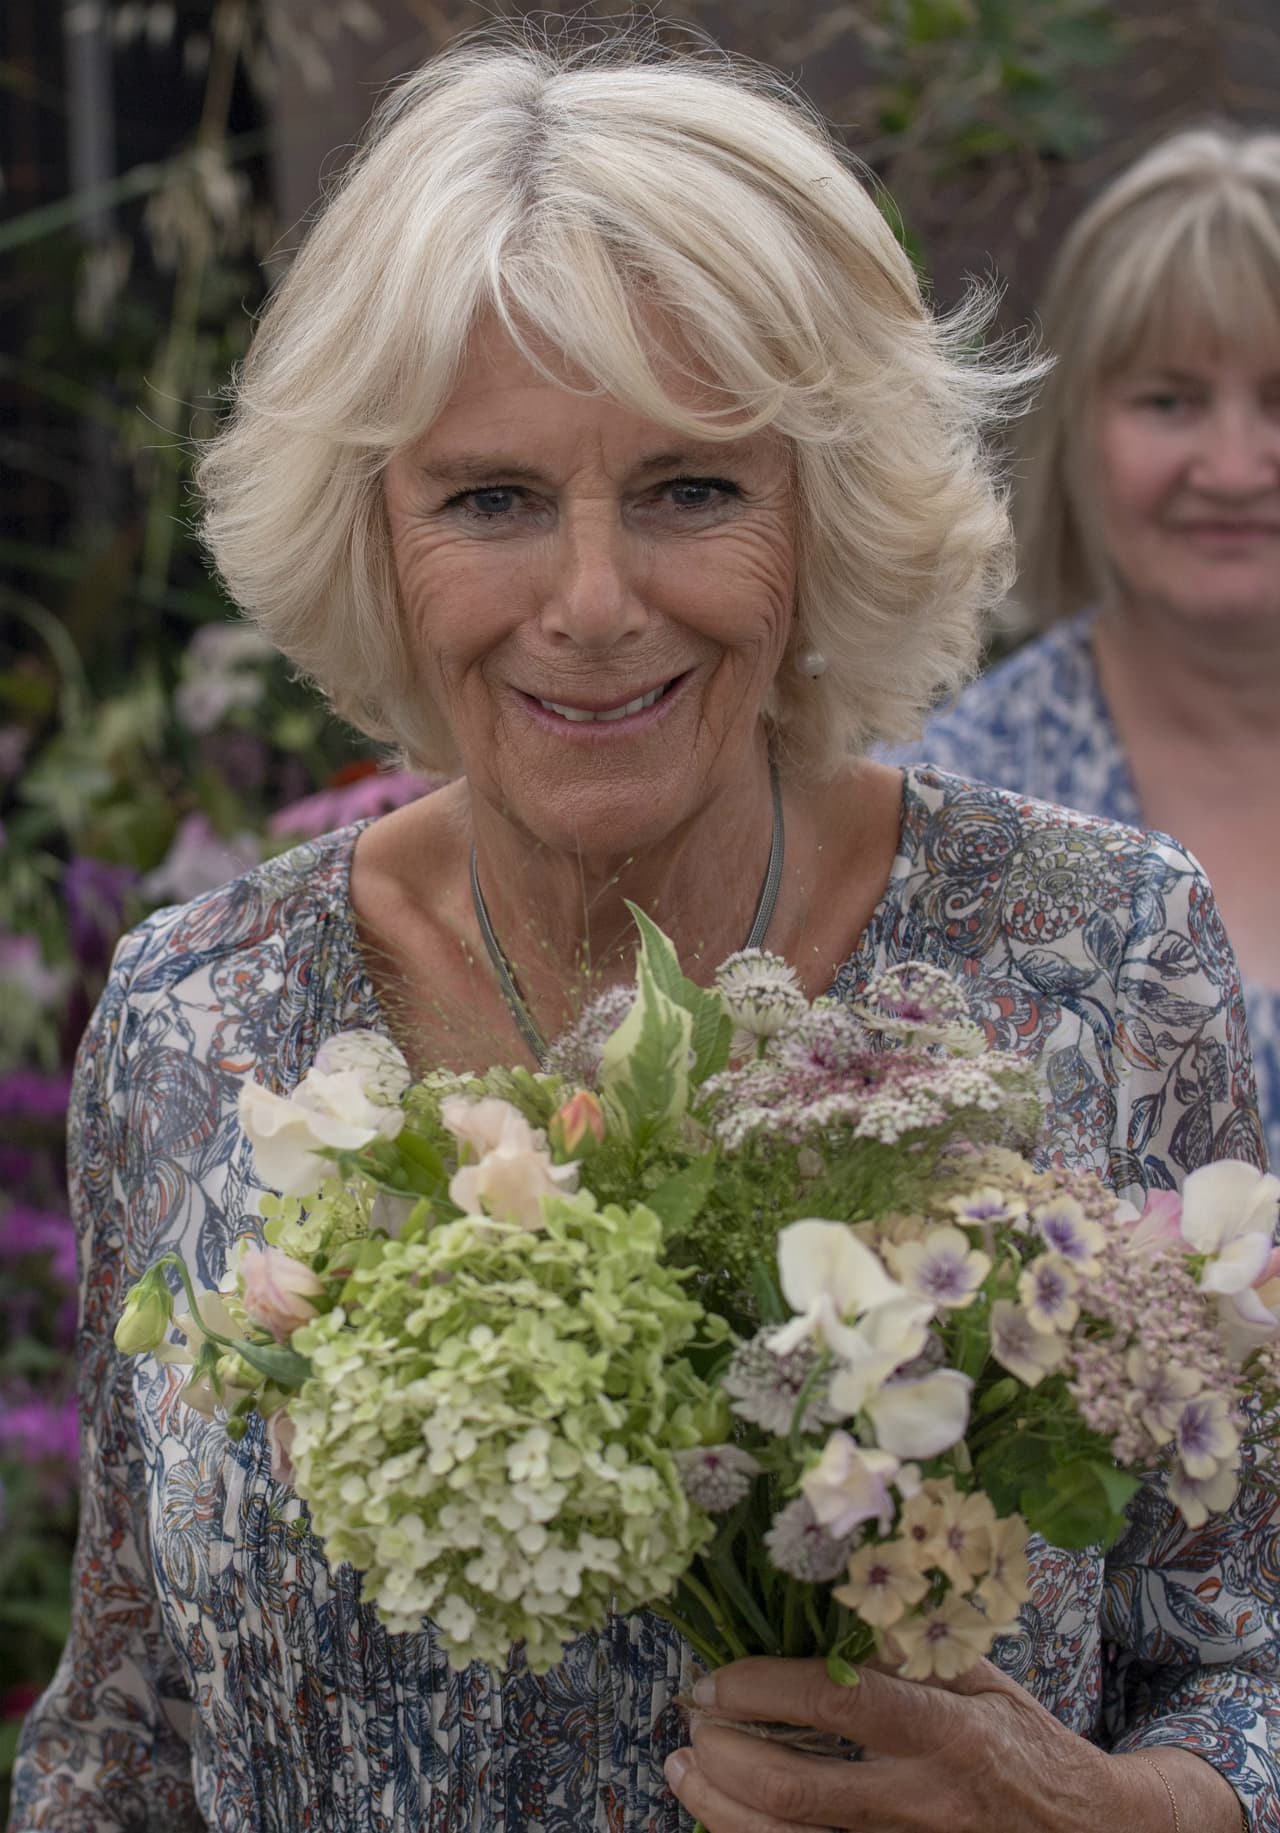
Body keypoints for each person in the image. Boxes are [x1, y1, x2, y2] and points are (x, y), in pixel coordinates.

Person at [9, 36, 1275, 1833]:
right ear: (373, 528)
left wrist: (1089, 1805)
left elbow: (1248, 1653)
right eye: (493, 499)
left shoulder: (1097, 957)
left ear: (823, 510)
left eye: (692, 489)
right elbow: (119, 1733)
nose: (591, 606)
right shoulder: (201, 1014)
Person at [884, 127, 1280, 1172]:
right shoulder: (939, 814)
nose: (1234, 465)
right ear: (1077, 432)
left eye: (1278, 399)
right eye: (1169, 401)